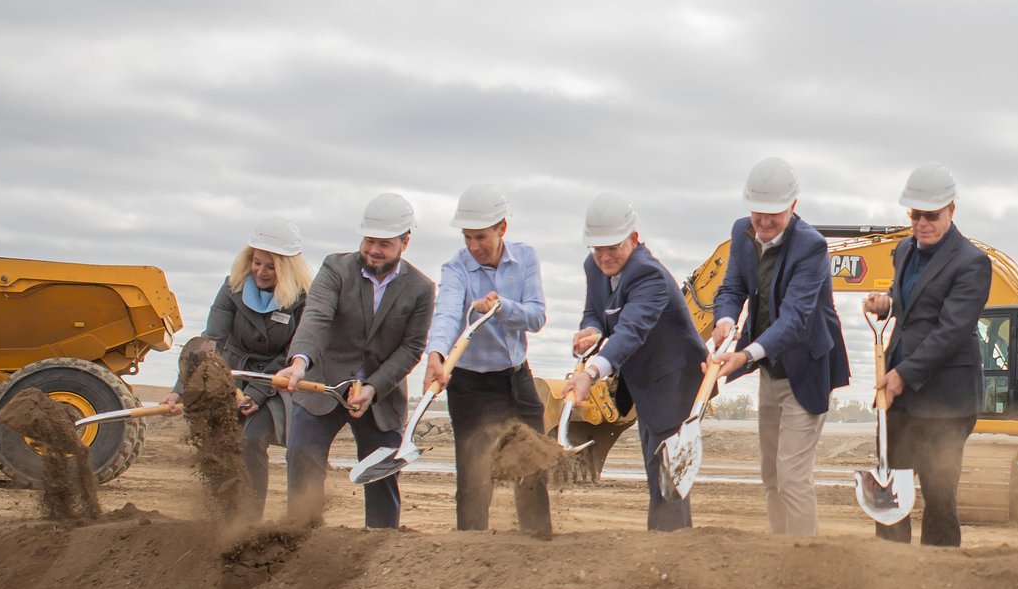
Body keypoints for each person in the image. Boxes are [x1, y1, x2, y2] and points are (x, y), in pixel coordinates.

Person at [274, 193, 435, 529]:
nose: (373, 250)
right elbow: (316, 317)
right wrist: (300, 361)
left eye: (384, 244)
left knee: (381, 476)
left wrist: (373, 388)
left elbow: (411, 348)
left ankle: (380, 544)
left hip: (380, 396)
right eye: (369, 241)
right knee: (302, 457)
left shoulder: (421, 288)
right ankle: (300, 536)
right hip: (323, 384)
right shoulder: (335, 268)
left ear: (405, 243)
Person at [708, 158, 850, 535]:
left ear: (793, 206)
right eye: (758, 212)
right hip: (770, 372)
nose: (765, 222)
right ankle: (778, 551)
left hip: (806, 371)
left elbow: (793, 320)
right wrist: (725, 320)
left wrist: (745, 354)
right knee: (771, 473)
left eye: (774, 213)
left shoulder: (811, 247)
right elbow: (731, 288)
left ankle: (805, 558)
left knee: (792, 475)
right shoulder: (741, 233)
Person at [860, 164, 992, 546]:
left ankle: (940, 573)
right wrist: (887, 304)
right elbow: (912, 303)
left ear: (951, 209)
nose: (921, 223)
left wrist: (904, 374)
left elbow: (952, 330)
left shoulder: (972, 262)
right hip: (899, 398)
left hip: (945, 400)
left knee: (939, 498)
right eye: (915, 215)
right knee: (889, 489)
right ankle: (890, 567)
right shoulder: (904, 250)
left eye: (931, 215)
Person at [568, 193, 708, 532]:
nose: (604, 257)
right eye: (597, 249)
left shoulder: (650, 276)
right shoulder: (594, 267)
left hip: (674, 382)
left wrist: (591, 372)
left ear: (633, 238)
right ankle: (664, 543)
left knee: (668, 478)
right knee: (655, 471)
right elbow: (595, 311)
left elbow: (630, 332)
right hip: (643, 381)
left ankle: (670, 547)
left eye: (612, 248)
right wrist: (590, 330)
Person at [422, 183, 551, 535]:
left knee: (532, 466)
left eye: (481, 237)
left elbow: (537, 317)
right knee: (474, 478)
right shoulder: (456, 269)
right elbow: (448, 313)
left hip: (517, 379)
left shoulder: (526, 258)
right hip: (470, 386)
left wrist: (502, 307)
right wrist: (436, 354)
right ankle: (470, 548)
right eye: (467, 237)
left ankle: (538, 543)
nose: (473, 246)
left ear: (502, 228)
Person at [164, 217, 314, 520]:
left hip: (276, 382)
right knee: (219, 443)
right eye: (256, 262)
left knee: (251, 440)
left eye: (270, 267)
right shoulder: (232, 287)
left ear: (287, 268)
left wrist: (256, 393)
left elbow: (291, 352)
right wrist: (180, 390)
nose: (261, 271)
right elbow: (212, 340)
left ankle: (249, 522)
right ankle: (222, 515)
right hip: (231, 376)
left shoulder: (303, 299)